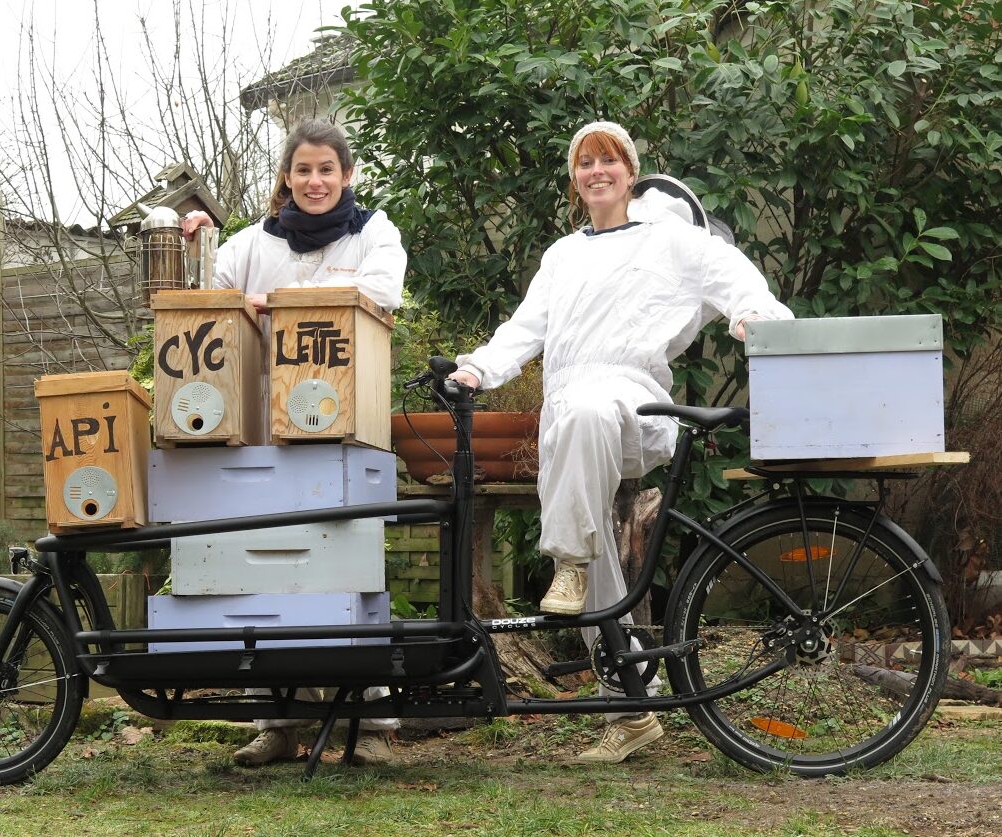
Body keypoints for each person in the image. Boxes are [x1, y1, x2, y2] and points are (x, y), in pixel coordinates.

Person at [450, 120, 793, 764]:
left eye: (610, 159)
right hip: (569, 414)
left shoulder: (671, 240)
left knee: (585, 435)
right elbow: (524, 329)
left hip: (632, 400)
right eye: (585, 162)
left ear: (631, 172)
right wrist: (476, 370)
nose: (597, 171)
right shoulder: (562, 255)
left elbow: (734, 277)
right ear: (575, 179)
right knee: (599, 545)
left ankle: (567, 561)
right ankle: (631, 704)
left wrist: (753, 315)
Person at [183, 117, 405, 768]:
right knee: (266, 573)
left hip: (346, 429)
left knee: (348, 571)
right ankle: (277, 722)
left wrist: (273, 301)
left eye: (326, 169)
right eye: (303, 169)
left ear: (346, 174)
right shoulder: (254, 241)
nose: (314, 181)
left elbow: (381, 290)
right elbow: (206, 300)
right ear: (286, 176)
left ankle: (371, 725)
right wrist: (198, 241)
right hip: (263, 428)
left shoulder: (373, 231)